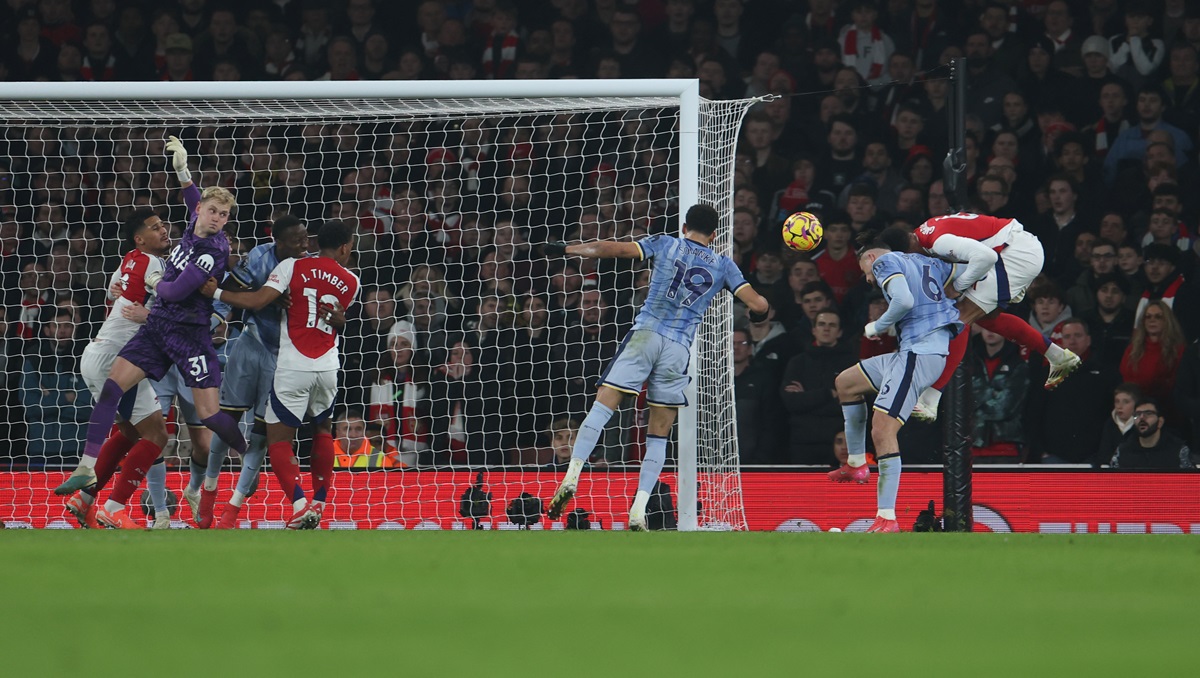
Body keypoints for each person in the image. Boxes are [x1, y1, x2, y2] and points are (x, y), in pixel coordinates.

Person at [55, 135, 248, 530]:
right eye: (212, 212)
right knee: (153, 430)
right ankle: (117, 502)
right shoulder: (164, 254)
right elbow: (169, 289)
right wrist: (181, 170)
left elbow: (162, 288)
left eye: (223, 215)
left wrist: (182, 170)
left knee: (161, 426)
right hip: (155, 335)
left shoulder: (157, 256)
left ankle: (87, 494)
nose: (215, 219)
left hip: (162, 341)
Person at [541, 203, 770, 530]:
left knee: (604, 405)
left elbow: (611, 249)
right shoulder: (724, 265)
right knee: (658, 435)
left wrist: (567, 248)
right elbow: (759, 304)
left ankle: (573, 473)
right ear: (715, 235)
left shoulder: (667, 242)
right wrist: (758, 316)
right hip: (678, 348)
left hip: (647, 334)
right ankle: (639, 509)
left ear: (684, 226)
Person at [201, 220, 360, 529]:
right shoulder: (353, 280)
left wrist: (215, 290)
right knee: (323, 431)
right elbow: (336, 316)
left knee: (274, 440)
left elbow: (259, 299)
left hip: (290, 365)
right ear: (344, 247)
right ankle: (319, 503)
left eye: (305, 240)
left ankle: (298, 506)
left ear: (314, 242)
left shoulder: (292, 267)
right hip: (326, 367)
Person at [880, 214, 1081, 420]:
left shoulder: (939, 241)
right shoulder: (924, 235)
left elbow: (986, 257)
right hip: (1011, 247)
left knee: (959, 317)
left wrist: (958, 287)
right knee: (987, 319)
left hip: (1014, 253)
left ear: (907, 248)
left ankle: (930, 399)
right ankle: (1058, 356)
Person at [828, 236, 963, 533]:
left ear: (871, 256)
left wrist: (877, 325)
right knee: (846, 383)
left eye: (865, 269)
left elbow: (903, 300)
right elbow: (962, 276)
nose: (868, 278)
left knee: (882, 430)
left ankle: (886, 517)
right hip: (916, 353)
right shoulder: (928, 262)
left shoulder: (886, 262)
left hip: (918, 354)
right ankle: (855, 463)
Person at [60, 209, 174, 529]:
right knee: (156, 434)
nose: (163, 230)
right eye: (154, 228)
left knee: (127, 432)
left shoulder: (129, 259)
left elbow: (114, 289)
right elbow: (162, 291)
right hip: (118, 358)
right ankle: (114, 507)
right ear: (140, 239)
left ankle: (82, 500)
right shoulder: (153, 263)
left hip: (98, 354)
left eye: (162, 225)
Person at [203, 215, 311, 529]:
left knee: (261, 437)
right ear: (278, 241)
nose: (304, 245)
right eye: (296, 240)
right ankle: (209, 491)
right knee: (226, 423)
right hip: (251, 345)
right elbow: (226, 297)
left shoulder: (309, 268)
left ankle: (231, 511)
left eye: (306, 238)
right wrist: (207, 327)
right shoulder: (258, 258)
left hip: (285, 359)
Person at [1110, 398, 1194, 469]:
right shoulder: (1123, 451)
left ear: (1160, 422)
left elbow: (1191, 485)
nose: (1142, 418)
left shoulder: (1178, 451)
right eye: (1137, 414)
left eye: (1148, 413)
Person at [1096, 383, 1141, 466]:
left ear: (1137, 404)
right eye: (1117, 401)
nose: (1120, 406)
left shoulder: (1141, 424)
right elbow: (1103, 455)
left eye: (1126, 402)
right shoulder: (1109, 424)